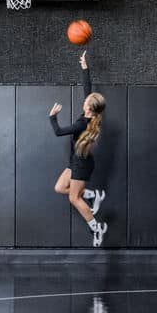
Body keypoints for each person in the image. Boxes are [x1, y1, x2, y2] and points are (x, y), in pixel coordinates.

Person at [50, 50, 108, 247]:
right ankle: (92, 195)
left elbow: (58, 132)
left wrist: (52, 117)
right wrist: (85, 67)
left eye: (86, 101)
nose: (84, 100)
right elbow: (88, 90)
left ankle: (97, 228)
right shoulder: (93, 116)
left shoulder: (82, 123)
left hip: (81, 164)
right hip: (76, 161)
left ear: (89, 108)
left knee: (74, 199)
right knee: (59, 188)